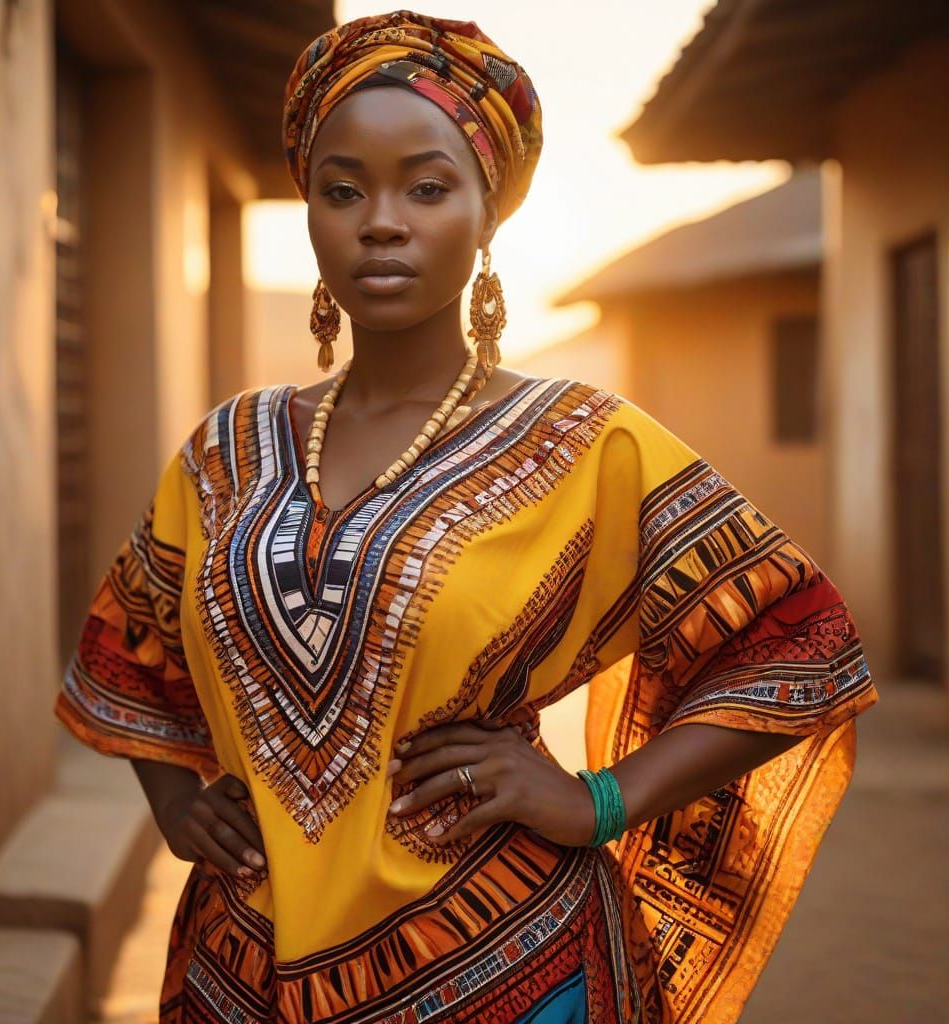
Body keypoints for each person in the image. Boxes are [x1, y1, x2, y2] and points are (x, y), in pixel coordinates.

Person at [54, 10, 879, 1023]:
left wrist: (596, 800)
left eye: (427, 186)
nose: (381, 219)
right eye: (342, 188)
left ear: (490, 210)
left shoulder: (587, 442)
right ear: (309, 211)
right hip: (243, 969)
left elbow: (796, 642)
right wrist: (178, 804)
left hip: (509, 970)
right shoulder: (225, 452)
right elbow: (131, 642)